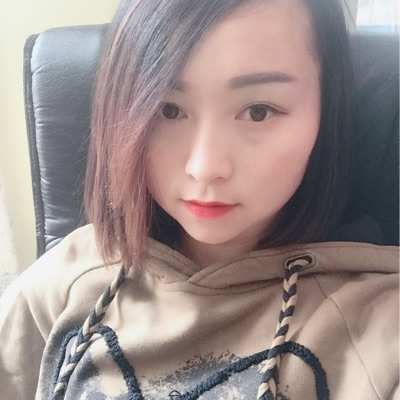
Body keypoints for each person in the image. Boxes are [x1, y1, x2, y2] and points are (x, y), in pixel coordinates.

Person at [0, 0, 398, 399]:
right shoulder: (66, 280)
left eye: (258, 112)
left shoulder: (377, 320)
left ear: (326, 111)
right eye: (168, 110)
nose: (205, 167)